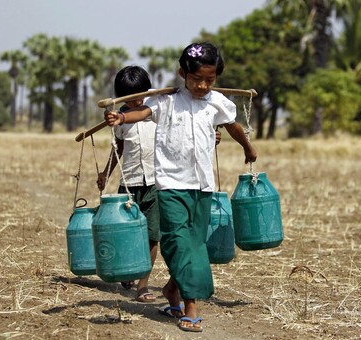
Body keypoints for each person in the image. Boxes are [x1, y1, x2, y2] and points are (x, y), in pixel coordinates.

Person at [104, 42, 257, 333]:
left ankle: (172, 288)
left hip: (202, 186)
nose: (202, 85)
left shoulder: (217, 102)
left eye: (209, 80)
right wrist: (121, 117)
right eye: (196, 79)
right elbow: (142, 114)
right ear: (181, 73)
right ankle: (191, 305)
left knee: (196, 244)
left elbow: (232, 124)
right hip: (171, 185)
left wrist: (248, 147)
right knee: (179, 242)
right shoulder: (167, 101)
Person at [97, 65, 159, 303]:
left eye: (141, 96)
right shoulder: (118, 120)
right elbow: (118, 150)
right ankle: (128, 270)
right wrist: (105, 173)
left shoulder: (158, 113)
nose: (137, 102)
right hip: (129, 182)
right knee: (129, 233)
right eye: (131, 99)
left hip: (156, 182)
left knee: (153, 235)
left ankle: (142, 285)